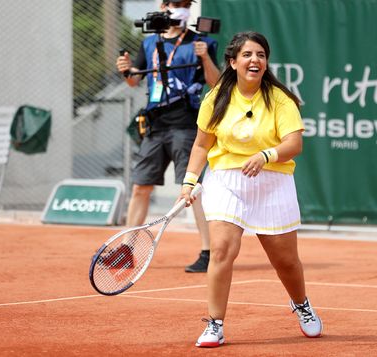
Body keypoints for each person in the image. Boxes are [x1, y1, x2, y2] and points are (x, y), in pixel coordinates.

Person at [179, 31, 323, 347]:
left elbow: (293, 143)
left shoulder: (280, 99)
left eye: (260, 55)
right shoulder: (215, 98)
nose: (254, 60)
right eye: (247, 55)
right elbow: (203, 144)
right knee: (221, 250)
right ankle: (214, 323)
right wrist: (190, 180)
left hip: (272, 182)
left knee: (285, 261)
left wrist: (266, 155)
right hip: (227, 182)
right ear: (232, 62)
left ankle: (301, 305)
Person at [116, 0, 220, 273]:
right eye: (174, 3)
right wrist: (126, 69)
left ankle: (208, 253)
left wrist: (205, 57)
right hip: (155, 125)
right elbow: (134, 80)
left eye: (184, 3)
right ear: (163, 6)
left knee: (191, 190)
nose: (179, 8)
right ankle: (126, 250)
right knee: (140, 187)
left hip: (187, 125)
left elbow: (216, 83)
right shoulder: (151, 43)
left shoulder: (201, 41)